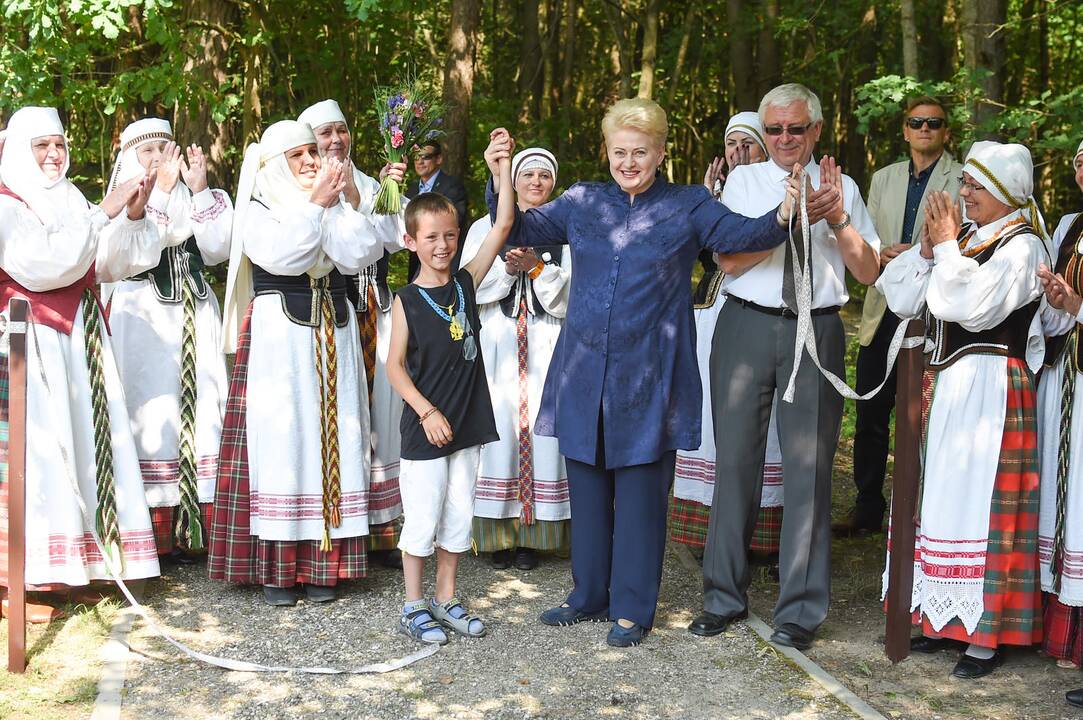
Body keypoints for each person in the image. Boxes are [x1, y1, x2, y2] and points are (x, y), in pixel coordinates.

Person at [485, 98, 825, 648]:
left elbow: (740, 236)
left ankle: (632, 607)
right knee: (588, 487)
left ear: (661, 152)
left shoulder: (689, 204)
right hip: (582, 370)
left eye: (639, 152)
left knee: (642, 494)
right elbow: (519, 224)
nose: (628, 162)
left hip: (650, 375)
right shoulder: (581, 201)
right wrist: (501, 172)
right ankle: (587, 593)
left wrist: (785, 214)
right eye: (619, 152)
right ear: (606, 152)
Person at [694, 83, 880, 651]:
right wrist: (784, 219)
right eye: (773, 129)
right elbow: (726, 259)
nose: (782, 140)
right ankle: (722, 597)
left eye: (794, 129)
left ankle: (799, 609)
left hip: (815, 327)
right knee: (736, 466)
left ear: (816, 130)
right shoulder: (742, 181)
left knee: (810, 471)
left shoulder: (841, 184)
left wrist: (838, 219)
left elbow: (869, 272)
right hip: (746, 324)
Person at [878, 142, 1047, 679]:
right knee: (944, 496)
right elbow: (906, 298)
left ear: (1002, 193)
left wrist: (948, 248)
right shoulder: (971, 238)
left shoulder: (1023, 248)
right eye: (968, 185)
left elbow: (970, 309)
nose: (965, 193)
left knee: (984, 503)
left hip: (994, 386)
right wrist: (931, 251)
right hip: (953, 383)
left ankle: (985, 631)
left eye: (975, 186)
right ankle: (939, 616)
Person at [208, 120, 384, 606]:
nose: (312, 160)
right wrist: (317, 206)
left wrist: (341, 201)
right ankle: (280, 570)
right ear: (274, 165)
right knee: (285, 440)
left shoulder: (329, 203)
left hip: (336, 326)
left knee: (338, 429)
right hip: (280, 338)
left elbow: (360, 254)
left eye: (314, 151)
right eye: (299, 154)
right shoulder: (261, 208)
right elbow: (286, 256)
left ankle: (327, 563)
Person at [0, 106, 163, 601]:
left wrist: (132, 216)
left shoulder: (70, 197)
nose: (55, 154)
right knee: (42, 451)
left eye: (60, 144)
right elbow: (45, 266)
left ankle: (74, 565)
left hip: (80, 336)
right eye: (42, 145)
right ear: (19, 149)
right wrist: (106, 211)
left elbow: (106, 263)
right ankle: (25, 576)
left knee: (84, 446)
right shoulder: (6, 202)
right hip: (32, 339)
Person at [386, 130, 515, 644]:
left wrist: (500, 167)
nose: (443, 246)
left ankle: (447, 598)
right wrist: (425, 411)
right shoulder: (407, 300)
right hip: (427, 428)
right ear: (411, 242)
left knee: (459, 514)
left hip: (467, 421)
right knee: (423, 516)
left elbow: (503, 224)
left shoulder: (465, 283)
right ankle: (413, 605)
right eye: (432, 237)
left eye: (450, 235)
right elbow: (395, 367)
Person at [105, 118, 233, 561]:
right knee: (153, 414)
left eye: (164, 149)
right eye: (147, 152)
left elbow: (219, 250)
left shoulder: (191, 194)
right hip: (144, 320)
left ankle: (200, 530)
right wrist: (157, 192)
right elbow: (141, 247)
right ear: (129, 159)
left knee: (203, 412)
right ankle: (154, 536)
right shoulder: (122, 202)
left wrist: (199, 190)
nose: (159, 159)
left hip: (197, 314)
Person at [836, 96, 962, 536]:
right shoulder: (883, 177)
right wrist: (883, 253)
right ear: (905, 130)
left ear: (946, 132)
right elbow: (868, 238)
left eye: (934, 123)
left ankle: (920, 509)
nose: (924, 128)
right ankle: (868, 506)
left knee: (923, 414)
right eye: (916, 122)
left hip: (932, 312)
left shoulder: (961, 178)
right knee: (872, 411)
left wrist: (917, 255)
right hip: (882, 305)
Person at [298, 99, 408, 569]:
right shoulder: (298, 186)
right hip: (334, 311)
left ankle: (382, 527)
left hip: (375, 310)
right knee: (345, 414)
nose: (335, 140)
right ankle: (343, 524)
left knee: (382, 413)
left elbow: (399, 237)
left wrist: (369, 196)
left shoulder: (372, 182)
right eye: (324, 134)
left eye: (341, 130)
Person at [672, 112, 784, 565]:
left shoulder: (775, 190)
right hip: (711, 315)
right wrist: (707, 198)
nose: (739, 152)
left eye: (749, 144)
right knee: (713, 418)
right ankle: (707, 528)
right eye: (731, 143)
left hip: (762, 316)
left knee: (766, 422)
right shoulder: (714, 197)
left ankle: (763, 535)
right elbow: (703, 256)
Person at [461, 147, 571, 571]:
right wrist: (508, 270)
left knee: (543, 434)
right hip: (498, 343)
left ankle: (534, 537)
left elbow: (572, 296)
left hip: (546, 343)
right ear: (514, 180)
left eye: (545, 175)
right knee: (500, 432)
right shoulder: (484, 226)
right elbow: (467, 284)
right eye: (528, 174)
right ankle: (496, 535)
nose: (536, 182)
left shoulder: (565, 230)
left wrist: (538, 270)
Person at [1035, 140, 1083, 695]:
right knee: (1063, 497)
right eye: (1078, 162)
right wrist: (1053, 298)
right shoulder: (1070, 223)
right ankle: (1063, 633)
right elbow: (1052, 312)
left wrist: (1075, 306)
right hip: (1065, 377)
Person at [405, 140, 468, 278]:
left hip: (444, 261)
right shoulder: (411, 190)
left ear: (438, 158)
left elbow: (456, 221)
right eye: (416, 157)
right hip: (417, 265)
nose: (420, 162)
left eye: (426, 157)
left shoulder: (452, 186)